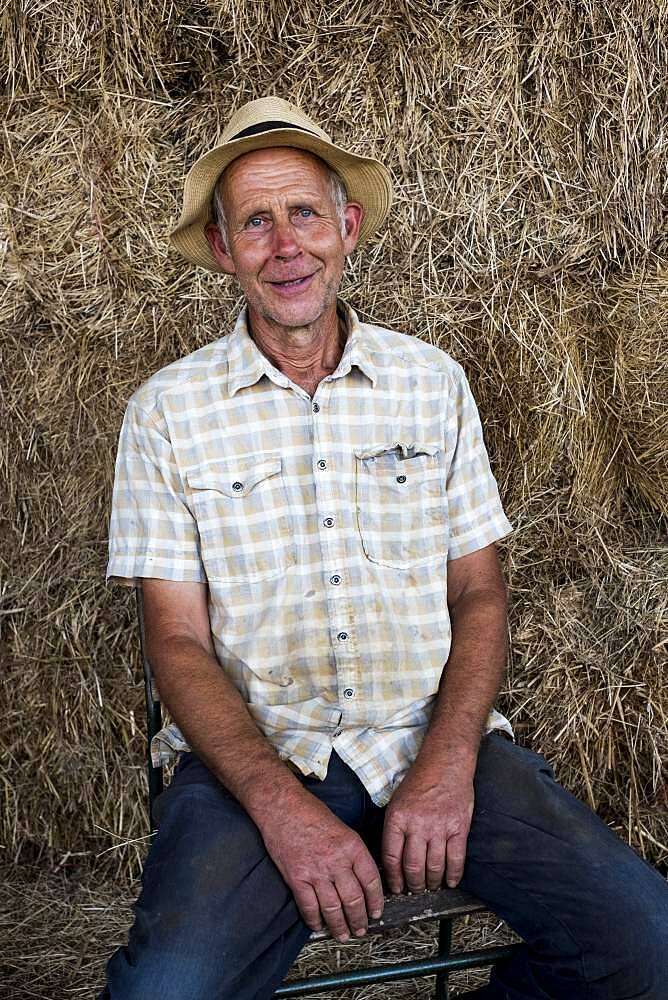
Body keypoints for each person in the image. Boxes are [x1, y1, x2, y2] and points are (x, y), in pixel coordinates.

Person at [100, 97, 667, 999]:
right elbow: (174, 641)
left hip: (432, 740)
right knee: (165, 992)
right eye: (255, 221)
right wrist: (282, 810)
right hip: (258, 762)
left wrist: (448, 764)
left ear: (347, 227)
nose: (285, 244)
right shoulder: (166, 413)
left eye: (305, 214)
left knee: (652, 950)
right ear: (222, 250)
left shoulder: (431, 383)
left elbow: (478, 592)